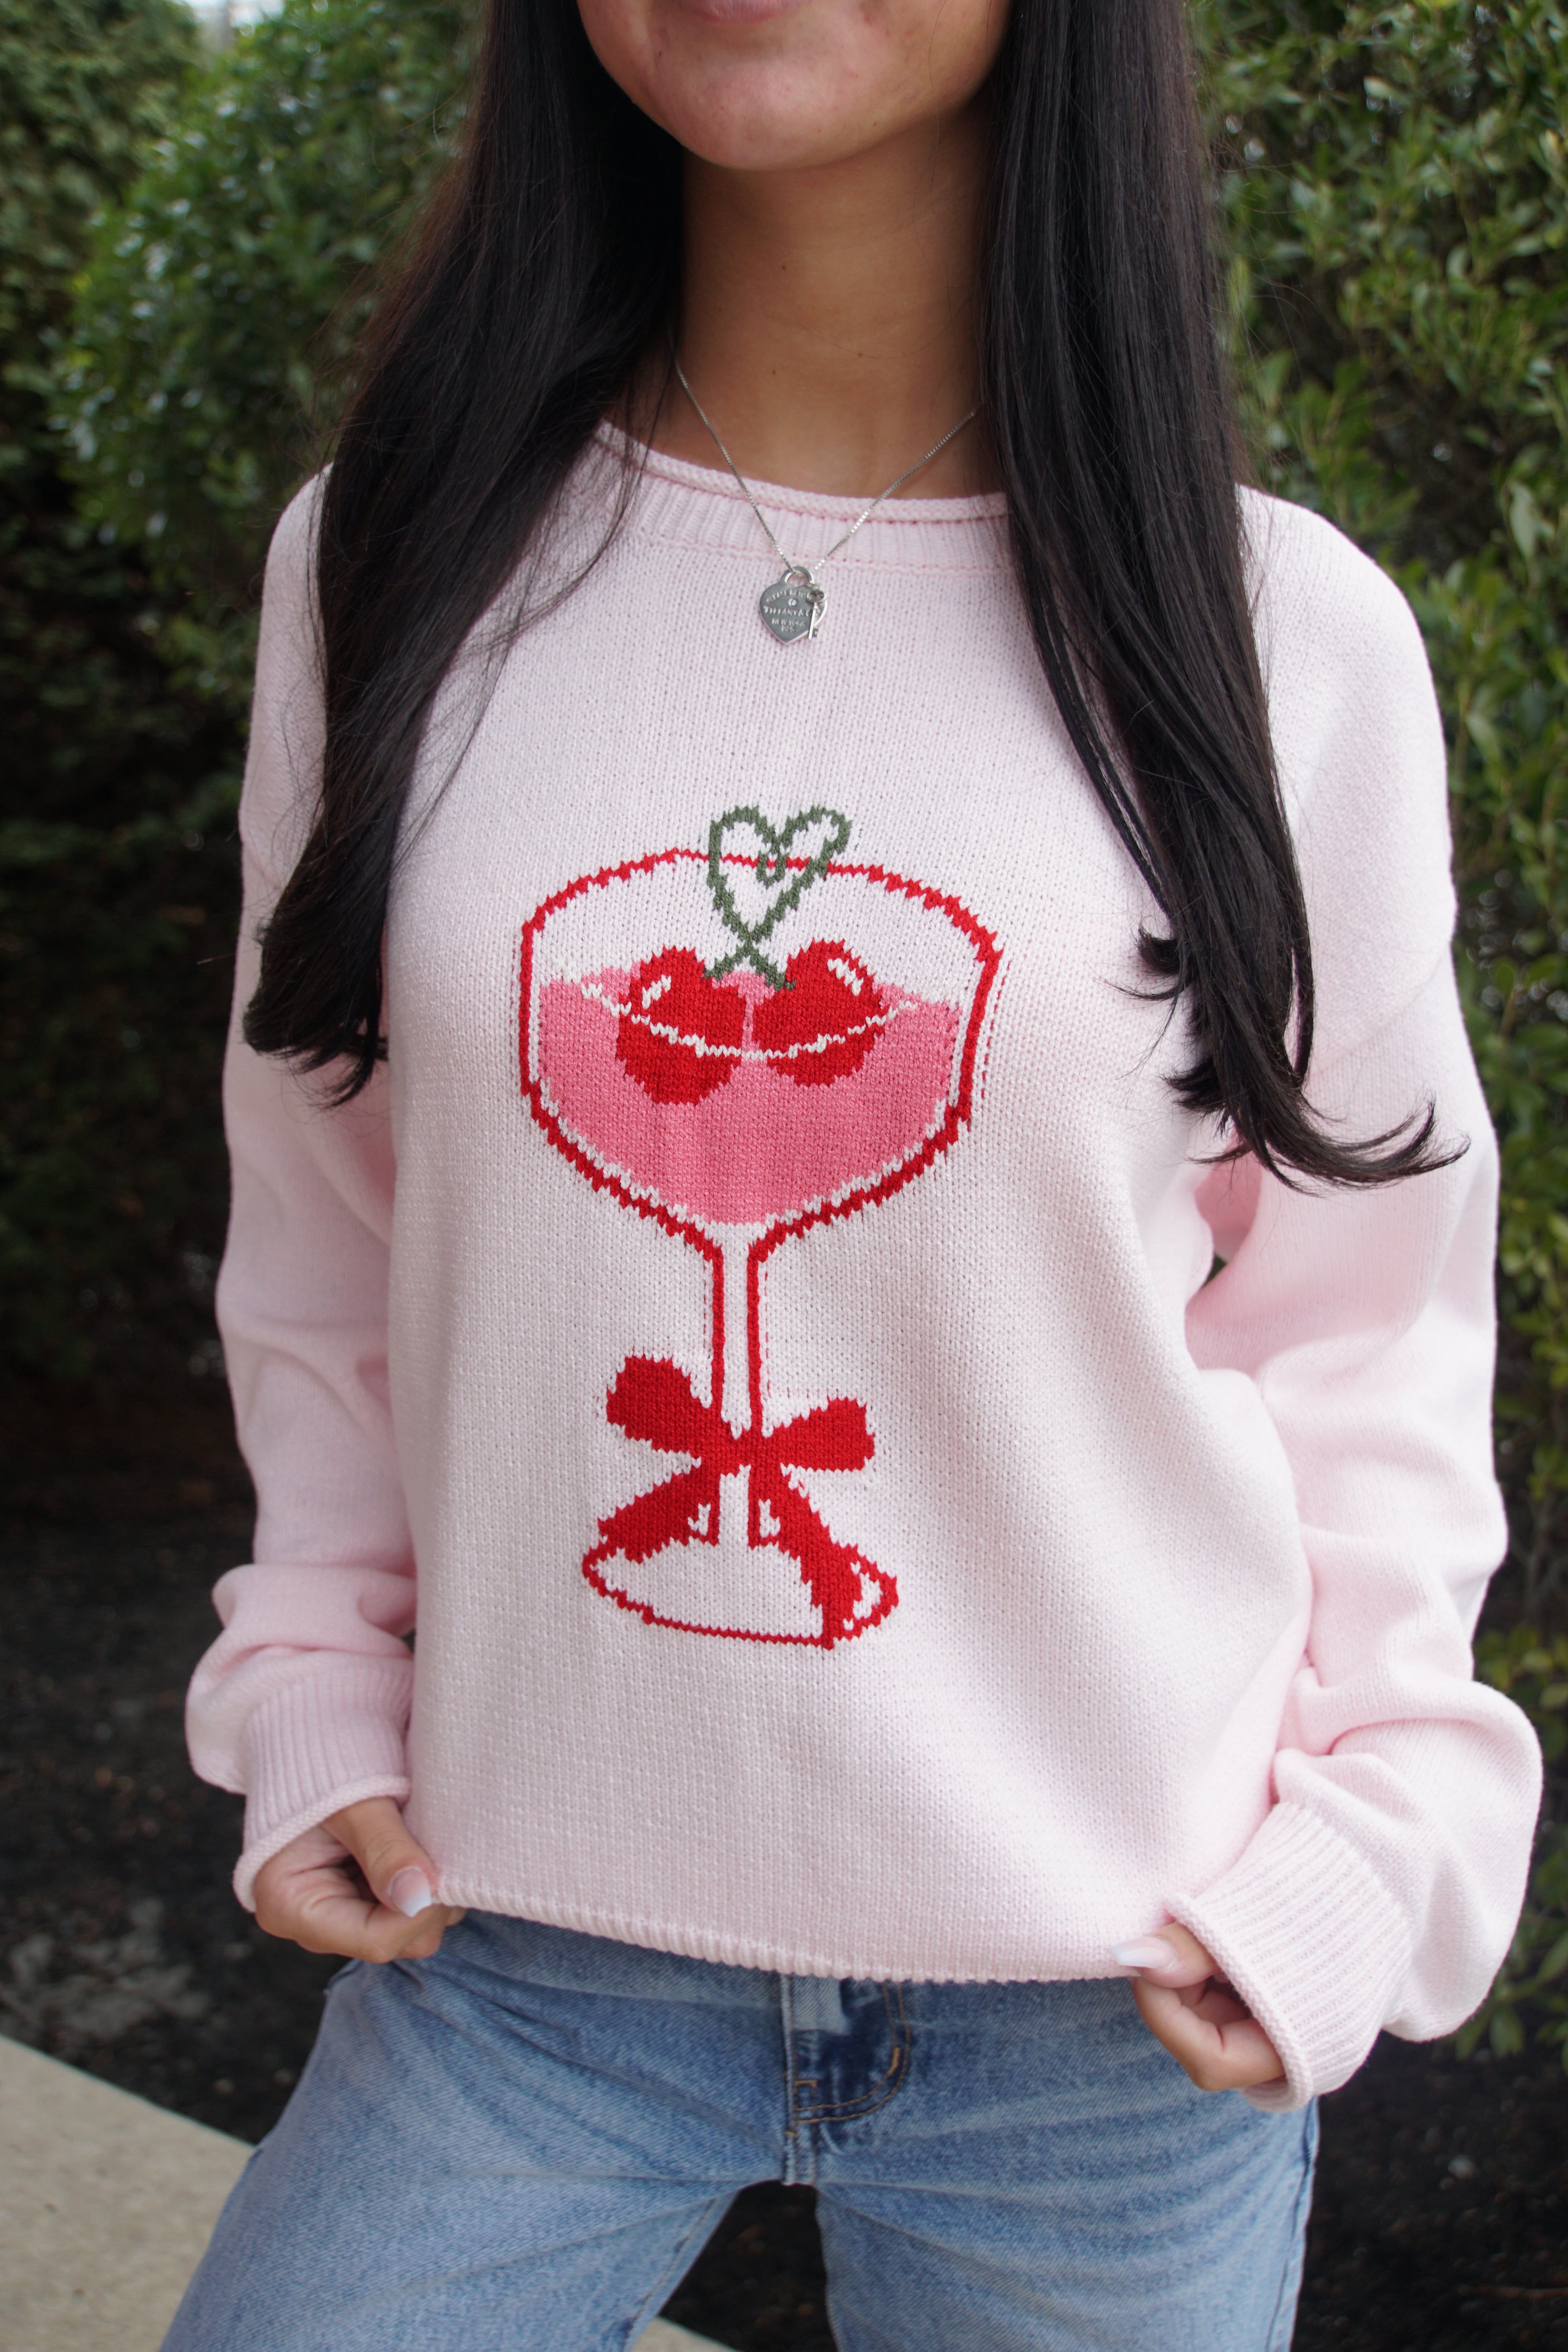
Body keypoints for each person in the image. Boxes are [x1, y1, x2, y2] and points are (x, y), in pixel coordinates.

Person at [163, 0, 1543, 2339]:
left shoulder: (1284, 642)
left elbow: (1372, 1333)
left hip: (1117, 2006)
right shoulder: (388, 558)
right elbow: (326, 1221)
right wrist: (308, 1676)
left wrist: (1374, 1846)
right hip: (514, 1947)